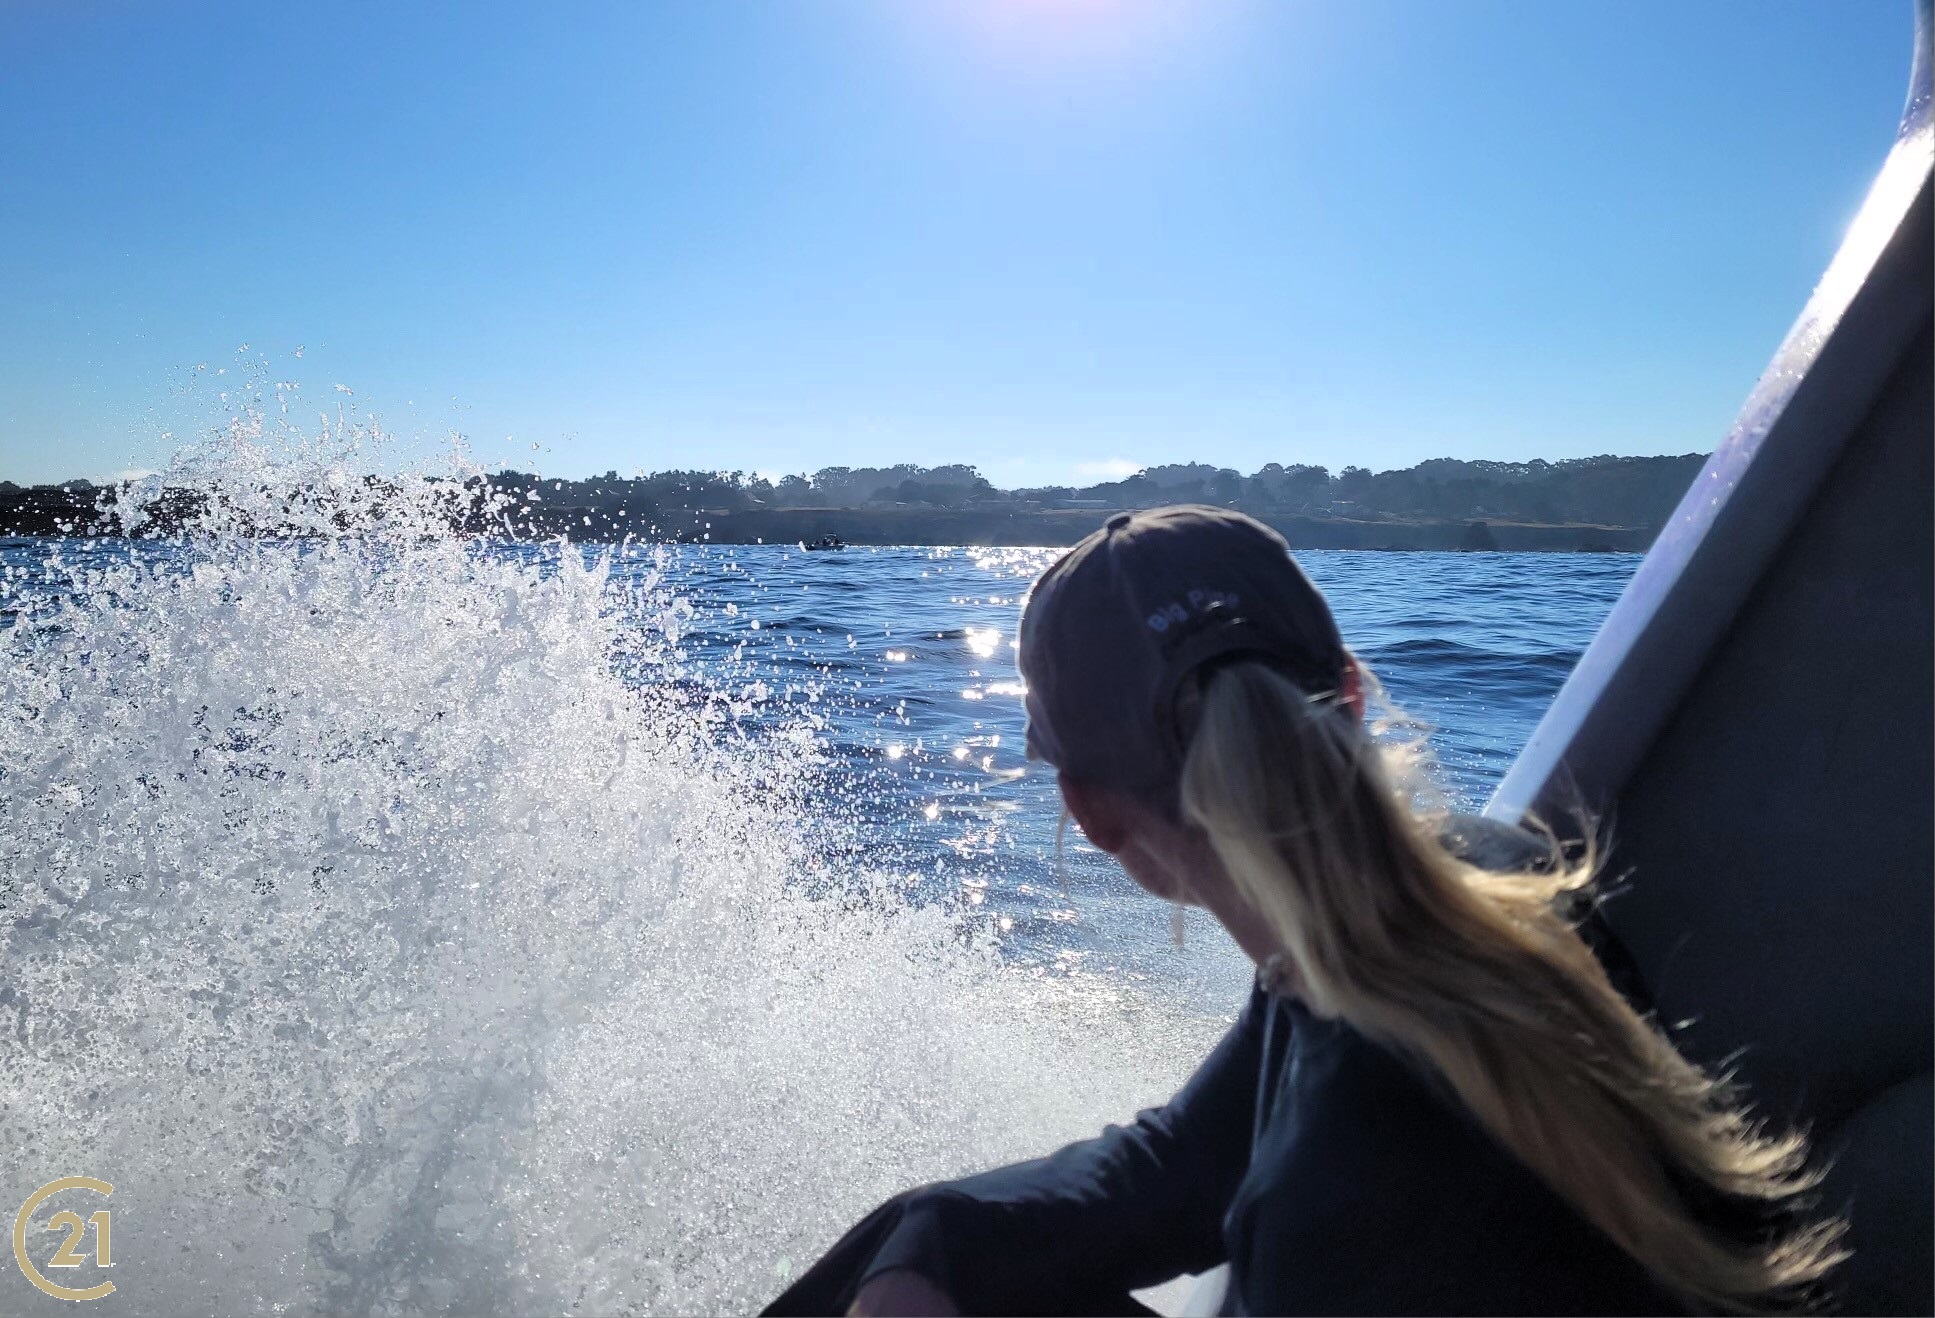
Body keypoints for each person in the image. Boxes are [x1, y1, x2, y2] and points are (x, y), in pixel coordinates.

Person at [766, 506, 1845, 1317]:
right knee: (933, 1241)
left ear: (1091, 817)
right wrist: (928, 1241)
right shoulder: (1492, 890)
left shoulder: (1328, 1218)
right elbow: (1188, 1156)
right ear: (1351, 693)